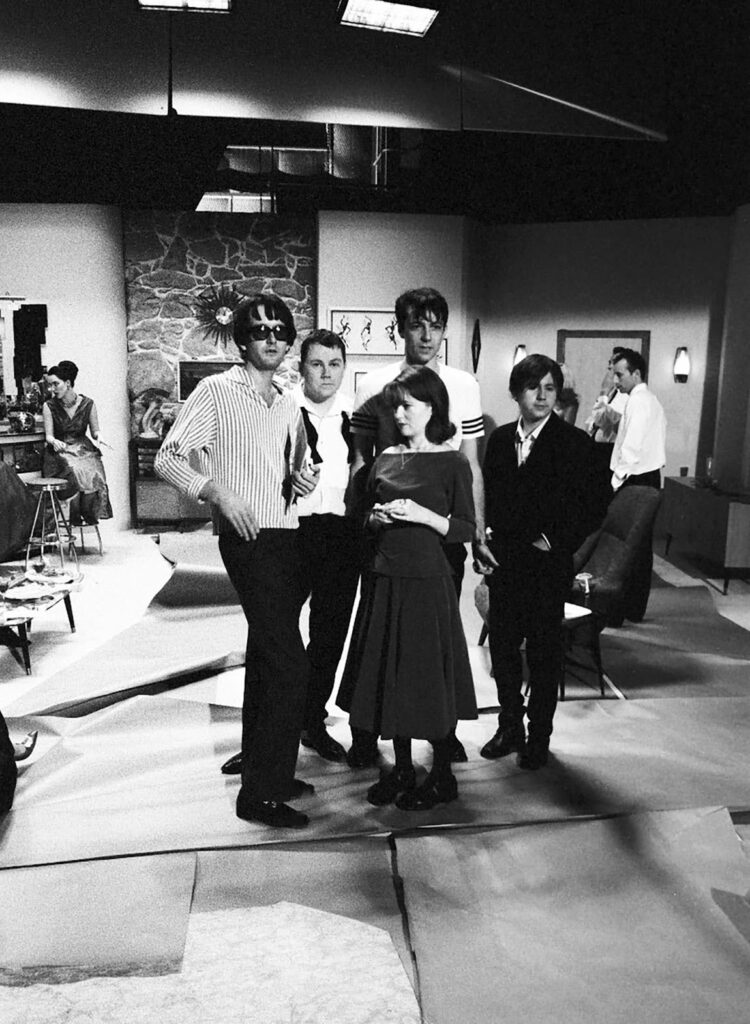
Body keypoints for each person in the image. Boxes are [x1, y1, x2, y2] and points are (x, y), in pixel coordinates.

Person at [156, 293, 318, 830]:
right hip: (247, 539)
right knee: (291, 664)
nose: (271, 338)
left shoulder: (288, 402)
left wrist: (300, 480)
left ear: (288, 341)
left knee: (269, 657)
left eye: (280, 330)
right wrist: (218, 493)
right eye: (259, 330)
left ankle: (266, 769)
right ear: (242, 340)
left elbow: (288, 470)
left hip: (287, 536)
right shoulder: (215, 391)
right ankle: (260, 796)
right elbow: (168, 457)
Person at [347, 286, 488, 767]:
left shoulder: (463, 385)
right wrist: (362, 519)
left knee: (436, 635)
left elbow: (471, 463)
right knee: (379, 632)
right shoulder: (374, 384)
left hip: (438, 533)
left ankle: (442, 734)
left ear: (444, 331)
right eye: (416, 325)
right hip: (386, 534)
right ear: (400, 329)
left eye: (435, 326)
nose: (426, 336)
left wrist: (478, 532)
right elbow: (361, 460)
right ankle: (367, 730)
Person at [220, 328, 360, 772]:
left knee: (329, 637)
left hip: (342, 536)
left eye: (334, 364)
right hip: (289, 534)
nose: (326, 373)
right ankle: (257, 744)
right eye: (317, 363)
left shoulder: (357, 414)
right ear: (301, 367)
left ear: (344, 368)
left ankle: (311, 723)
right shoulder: (280, 407)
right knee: (270, 640)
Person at [338, 366, 477, 810]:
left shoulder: (453, 461)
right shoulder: (384, 459)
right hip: (385, 579)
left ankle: (441, 775)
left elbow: (466, 528)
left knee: (427, 677)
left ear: (432, 408)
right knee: (390, 676)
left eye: (407, 406)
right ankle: (401, 768)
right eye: (394, 406)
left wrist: (423, 516)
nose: (398, 415)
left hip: (428, 584)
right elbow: (362, 517)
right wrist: (375, 518)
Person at [474, 354, 596, 770]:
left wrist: (553, 540)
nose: (542, 396)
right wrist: (483, 539)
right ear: (516, 393)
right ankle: (510, 726)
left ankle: (539, 736)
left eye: (550, 388)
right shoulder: (499, 440)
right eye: (533, 387)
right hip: (505, 561)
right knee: (504, 648)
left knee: (544, 654)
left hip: (547, 565)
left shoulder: (574, 443)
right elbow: (488, 496)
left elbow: (594, 505)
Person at [609, 347, 667, 621]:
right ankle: (633, 609)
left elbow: (631, 447)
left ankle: (622, 609)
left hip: (635, 477)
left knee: (628, 546)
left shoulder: (639, 402)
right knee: (640, 546)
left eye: (620, 375)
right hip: (647, 476)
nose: (615, 381)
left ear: (636, 373)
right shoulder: (648, 400)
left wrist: (615, 481)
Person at [42, 360, 112, 525]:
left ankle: (87, 512)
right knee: (75, 470)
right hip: (60, 451)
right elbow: (49, 436)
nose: (52, 389)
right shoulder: (49, 406)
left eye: (55, 384)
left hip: (83, 448)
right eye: (50, 385)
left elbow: (95, 431)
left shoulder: (88, 404)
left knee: (95, 471)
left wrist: (100, 437)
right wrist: (54, 441)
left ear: (67, 383)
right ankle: (74, 514)